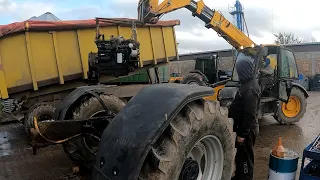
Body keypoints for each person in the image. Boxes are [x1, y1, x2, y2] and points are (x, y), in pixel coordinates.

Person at [230, 52, 261, 180]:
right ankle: (239, 176)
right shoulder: (247, 83)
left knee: (245, 159)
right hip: (243, 127)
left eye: (239, 71)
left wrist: (242, 134)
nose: (238, 73)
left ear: (244, 70)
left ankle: (245, 178)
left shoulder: (250, 89)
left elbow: (249, 114)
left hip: (247, 131)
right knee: (240, 157)